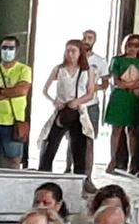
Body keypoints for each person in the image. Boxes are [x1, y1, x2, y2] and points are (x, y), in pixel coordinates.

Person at [36, 39, 97, 175]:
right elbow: (45, 89)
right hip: (62, 110)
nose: (70, 54)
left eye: (73, 51)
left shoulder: (88, 70)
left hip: (78, 111)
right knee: (51, 144)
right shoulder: (59, 69)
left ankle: (80, 177)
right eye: (68, 50)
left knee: (79, 148)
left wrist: (77, 101)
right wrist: (54, 101)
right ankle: (43, 173)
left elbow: (90, 93)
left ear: (80, 53)